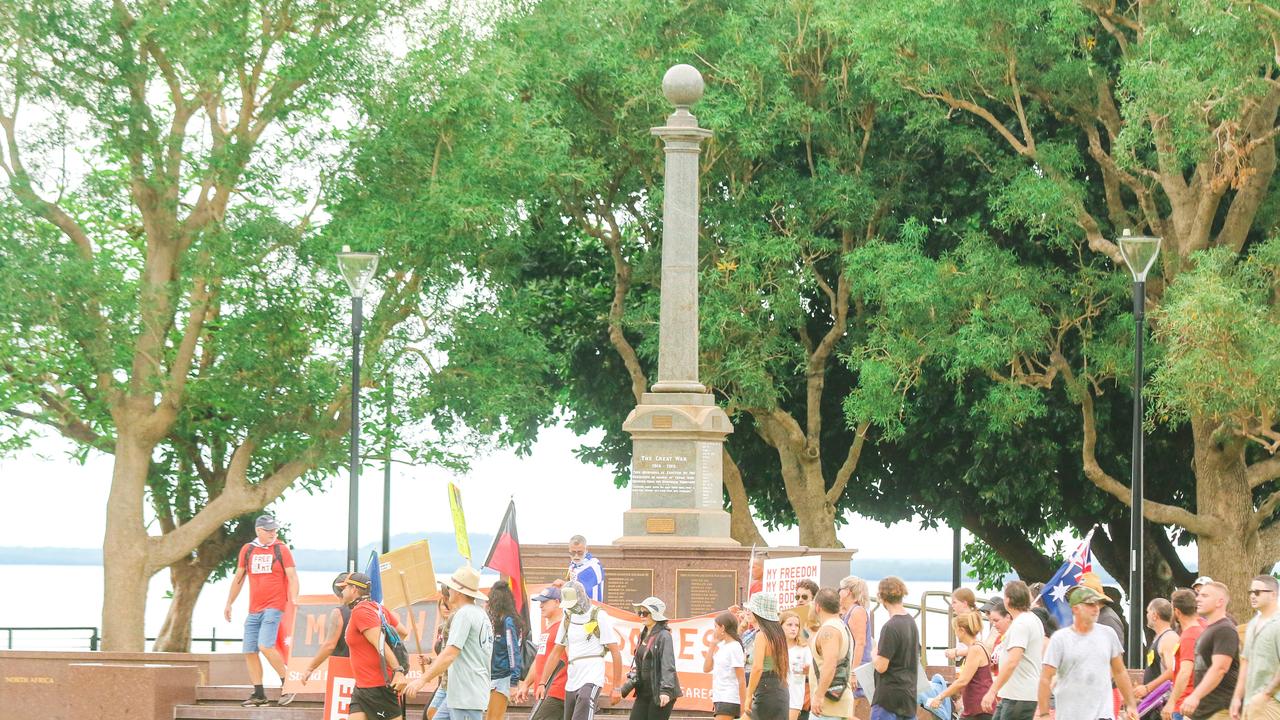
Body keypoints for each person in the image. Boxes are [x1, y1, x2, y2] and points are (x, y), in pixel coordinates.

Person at [223, 514, 299, 707]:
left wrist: (295, 598)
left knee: (265, 645)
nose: (273, 533)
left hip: (274, 606)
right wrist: (229, 603)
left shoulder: (281, 549)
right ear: (258, 531)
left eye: (275, 530)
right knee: (249, 650)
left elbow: (292, 576)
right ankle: (259, 694)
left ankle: (288, 683)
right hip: (254, 608)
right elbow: (239, 578)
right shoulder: (248, 550)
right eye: (269, 530)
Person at [404, 566, 495, 720]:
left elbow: (449, 654)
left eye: (450, 588)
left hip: (465, 695)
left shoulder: (463, 614)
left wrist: (422, 680)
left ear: (458, 591)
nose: (448, 591)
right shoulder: (480, 614)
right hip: (464, 692)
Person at [1037, 585, 1139, 720]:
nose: (1096, 608)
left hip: (1102, 714)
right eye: (1090, 604)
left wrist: (1131, 705)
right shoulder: (1060, 639)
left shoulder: (1108, 634)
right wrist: (1044, 714)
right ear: (1075, 609)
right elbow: (1045, 678)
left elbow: (1120, 671)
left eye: (1096, 604)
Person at [534, 580, 622, 720]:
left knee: (585, 699)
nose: (571, 607)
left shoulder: (598, 615)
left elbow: (615, 651)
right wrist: (542, 683)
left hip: (592, 673)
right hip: (573, 676)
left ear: (580, 598)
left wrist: (617, 687)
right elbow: (556, 652)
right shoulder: (568, 617)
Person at [342, 572, 409, 720]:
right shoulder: (378, 608)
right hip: (362, 686)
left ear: (353, 589)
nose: (342, 591)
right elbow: (402, 633)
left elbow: (380, 643)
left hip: (377, 686)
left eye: (345, 587)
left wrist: (398, 670)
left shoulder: (361, 611)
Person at [982, 580, 1043, 720]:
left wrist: (992, 691)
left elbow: (1013, 661)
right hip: (1013, 694)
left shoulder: (1021, 623)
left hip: (1019, 696)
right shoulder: (1031, 619)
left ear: (1008, 600)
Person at [1180, 581, 1240, 720]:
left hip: (1221, 709)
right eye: (1199, 595)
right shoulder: (1209, 630)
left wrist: (1195, 696)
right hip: (1204, 710)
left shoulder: (1225, 629)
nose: (1198, 598)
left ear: (1220, 602)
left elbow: (1220, 668)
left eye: (1205, 595)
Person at [1231, 575, 1280, 719]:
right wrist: (1237, 697)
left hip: (1272, 702)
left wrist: (1266, 694)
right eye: (1251, 592)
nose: (1252, 596)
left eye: (1257, 592)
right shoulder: (1253, 624)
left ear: (1273, 594)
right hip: (1250, 702)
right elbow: (1245, 662)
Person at [928, 610, 992, 720]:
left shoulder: (975, 649)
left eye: (955, 630)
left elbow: (963, 681)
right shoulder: (979, 646)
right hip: (977, 707)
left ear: (962, 630)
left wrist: (940, 696)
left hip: (978, 708)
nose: (955, 633)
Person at [516, 586, 568, 720]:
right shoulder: (547, 629)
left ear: (557, 602)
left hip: (556, 691)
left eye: (545, 602)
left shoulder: (564, 627)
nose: (540, 606)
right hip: (545, 692)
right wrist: (526, 684)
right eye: (540, 602)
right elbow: (539, 660)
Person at [871, 576, 919, 720]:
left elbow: (881, 666)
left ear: (881, 598)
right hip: (908, 696)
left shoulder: (890, 627)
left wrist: (874, 653)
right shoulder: (911, 622)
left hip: (888, 699)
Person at [628, 596, 682, 720]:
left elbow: (668, 665)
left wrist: (666, 691)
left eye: (645, 613)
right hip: (644, 692)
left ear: (655, 614)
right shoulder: (643, 634)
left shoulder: (664, 636)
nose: (641, 615)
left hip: (660, 692)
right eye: (640, 612)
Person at [301, 572, 355, 686]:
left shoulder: (339, 613)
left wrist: (310, 668)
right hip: (368, 670)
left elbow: (329, 645)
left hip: (343, 669)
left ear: (337, 594)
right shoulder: (374, 608)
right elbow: (401, 632)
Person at [808, 588, 854, 720]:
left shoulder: (830, 630)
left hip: (828, 707)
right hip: (837, 706)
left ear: (818, 607)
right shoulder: (841, 626)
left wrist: (819, 695)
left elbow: (830, 664)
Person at [745, 592, 791, 720]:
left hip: (765, 689)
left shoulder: (762, 635)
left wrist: (748, 695)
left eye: (751, 609)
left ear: (758, 612)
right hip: (780, 688)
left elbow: (757, 668)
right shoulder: (778, 634)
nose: (748, 611)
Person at [1163, 588, 1207, 720]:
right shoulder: (1203, 628)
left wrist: (1171, 703)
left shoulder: (1189, 636)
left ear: (1177, 611)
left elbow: (1185, 673)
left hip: (1185, 704)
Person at [486, 580, 525, 720]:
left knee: (493, 718)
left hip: (502, 678)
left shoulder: (508, 621)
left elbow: (513, 651)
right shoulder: (497, 621)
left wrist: (514, 682)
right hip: (493, 677)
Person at [838, 575, 873, 718]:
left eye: (841, 589)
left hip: (858, 668)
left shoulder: (857, 611)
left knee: (850, 711)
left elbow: (860, 643)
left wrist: (853, 672)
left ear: (848, 591)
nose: (838, 592)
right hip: (853, 667)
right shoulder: (850, 611)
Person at [704, 611, 748, 720]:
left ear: (722, 628)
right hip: (719, 697)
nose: (714, 630)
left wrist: (744, 707)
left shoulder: (735, 647)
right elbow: (706, 668)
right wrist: (712, 644)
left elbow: (741, 679)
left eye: (715, 627)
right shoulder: (723, 647)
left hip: (729, 698)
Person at [1136, 598, 1179, 700]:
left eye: (1148, 612)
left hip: (1164, 702)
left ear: (1155, 615)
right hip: (1154, 701)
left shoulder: (1169, 638)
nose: (1146, 615)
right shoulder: (1159, 637)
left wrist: (1147, 688)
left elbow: (1172, 671)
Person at [427, 585, 455, 720]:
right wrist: (429, 661)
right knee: (430, 712)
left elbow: (450, 655)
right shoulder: (441, 629)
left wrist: (423, 679)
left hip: (453, 679)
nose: (445, 607)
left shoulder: (457, 622)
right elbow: (442, 654)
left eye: (446, 604)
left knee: (434, 714)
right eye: (442, 605)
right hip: (443, 678)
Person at [779, 611, 811, 720]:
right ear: (781, 626)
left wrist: (807, 670)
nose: (793, 628)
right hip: (775, 696)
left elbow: (811, 670)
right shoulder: (775, 648)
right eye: (789, 625)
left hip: (794, 696)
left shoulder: (803, 648)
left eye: (797, 625)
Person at [568, 536, 606, 602]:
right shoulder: (573, 564)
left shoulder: (593, 566)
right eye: (573, 553)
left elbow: (582, 589)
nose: (576, 556)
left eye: (580, 553)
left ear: (586, 550)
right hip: (576, 606)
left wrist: (563, 586)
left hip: (592, 608)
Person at [947, 589, 979, 662]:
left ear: (964, 603)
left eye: (954, 602)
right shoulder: (968, 618)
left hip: (971, 661)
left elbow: (977, 648)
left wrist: (956, 653)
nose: (952, 606)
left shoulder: (971, 620)